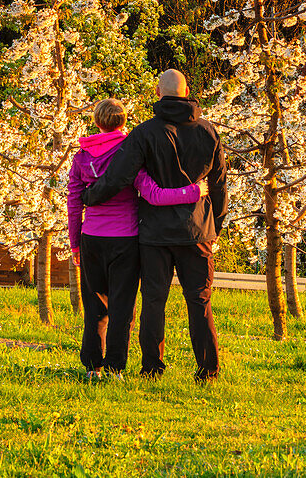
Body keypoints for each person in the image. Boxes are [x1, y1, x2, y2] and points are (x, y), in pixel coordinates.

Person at [82, 71, 227, 383]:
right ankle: (208, 371)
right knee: (199, 301)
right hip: (197, 232)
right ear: (187, 91)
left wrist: (89, 196)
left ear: (158, 91)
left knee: (153, 301)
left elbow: (119, 176)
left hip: (154, 235)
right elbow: (219, 186)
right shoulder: (209, 131)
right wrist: (215, 228)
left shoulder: (144, 133)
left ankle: (152, 368)